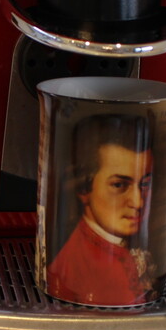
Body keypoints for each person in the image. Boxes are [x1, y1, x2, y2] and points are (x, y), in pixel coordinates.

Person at [46, 114, 155, 306]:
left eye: (144, 184)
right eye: (119, 185)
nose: (138, 202)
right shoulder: (94, 269)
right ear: (83, 188)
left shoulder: (113, 245)